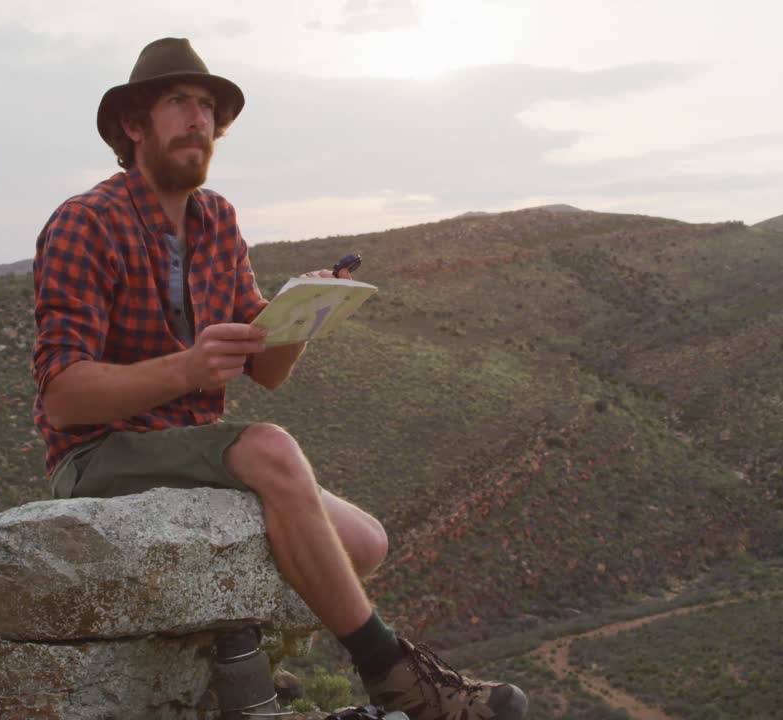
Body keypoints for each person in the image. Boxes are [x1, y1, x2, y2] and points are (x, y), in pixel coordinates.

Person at [30, 37, 528, 720]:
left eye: (208, 107)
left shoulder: (217, 222)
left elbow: (266, 369)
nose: (198, 119)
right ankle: (395, 677)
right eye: (178, 102)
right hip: (99, 456)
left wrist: (304, 314)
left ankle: (242, 664)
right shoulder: (86, 223)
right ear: (133, 124)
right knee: (269, 446)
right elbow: (62, 397)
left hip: (188, 452)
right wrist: (187, 368)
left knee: (365, 542)